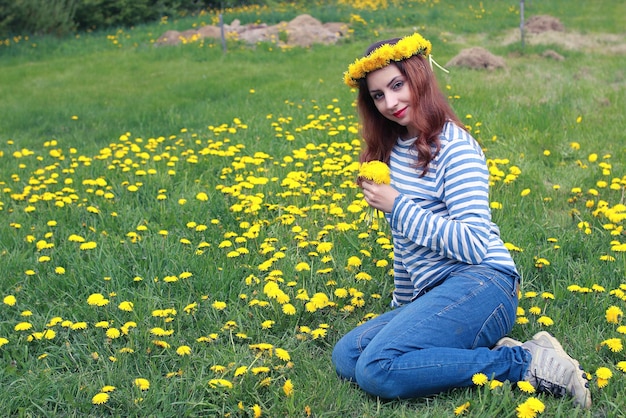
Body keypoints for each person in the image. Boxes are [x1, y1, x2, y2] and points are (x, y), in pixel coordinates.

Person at [331, 32, 591, 409]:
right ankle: (482, 346)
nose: (390, 102)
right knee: (347, 357)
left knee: (376, 369)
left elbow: (473, 242)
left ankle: (526, 362)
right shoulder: (390, 155)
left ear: (418, 76)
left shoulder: (455, 147)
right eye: (378, 95)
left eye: (397, 85)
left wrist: (397, 205)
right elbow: (404, 243)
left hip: (484, 283)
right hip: (438, 294)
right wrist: (405, 311)